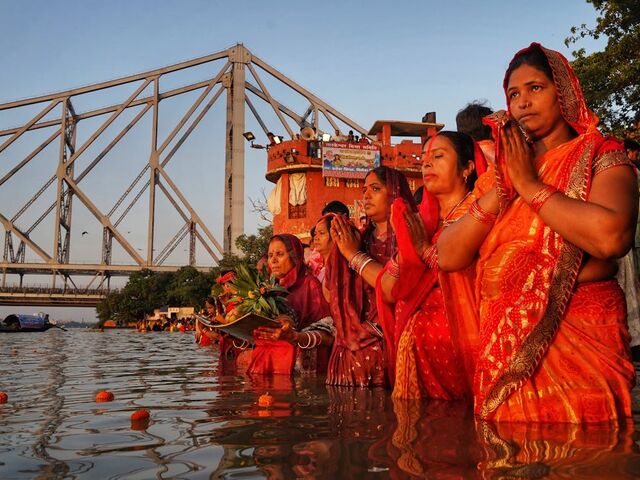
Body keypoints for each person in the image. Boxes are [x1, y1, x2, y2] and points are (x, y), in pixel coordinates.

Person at [437, 43, 637, 423]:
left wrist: (530, 187)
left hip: (580, 337)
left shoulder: (599, 153)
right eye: (514, 94)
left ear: (563, 91)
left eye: (536, 88)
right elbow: (448, 255)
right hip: (505, 346)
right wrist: (505, 187)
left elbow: (612, 237)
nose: (523, 102)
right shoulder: (504, 174)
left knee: (586, 454)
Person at [377, 131, 488, 399]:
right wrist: (407, 248)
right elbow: (389, 290)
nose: (426, 164)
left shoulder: (481, 212)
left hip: (466, 350)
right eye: (424, 159)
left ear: (467, 168)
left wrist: (422, 249)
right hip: (418, 354)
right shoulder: (421, 222)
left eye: (437, 156)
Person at [329, 166, 417, 386]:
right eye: (364, 190)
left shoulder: (411, 233)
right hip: (351, 347)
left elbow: (394, 289)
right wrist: (337, 254)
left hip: (391, 340)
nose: (366, 195)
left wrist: (352, 254)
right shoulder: (360, 238)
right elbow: (330, 294)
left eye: (375, 188)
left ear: (395, 193)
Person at [314, 213, 385, 387]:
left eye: (322, 233)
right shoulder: (331, 274)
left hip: (368, 348)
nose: (315, 238)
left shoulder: (363, 268)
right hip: (343, 351)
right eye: (315, 234)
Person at [248, 234, 334, 375]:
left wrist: (294, 336)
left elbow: (329, 336)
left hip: (304, 373)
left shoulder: (310, 285)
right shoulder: (267, 291)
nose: (273, 260)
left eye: (280, 254)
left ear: (294, 257)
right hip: (273, 366)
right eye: (270, 255)